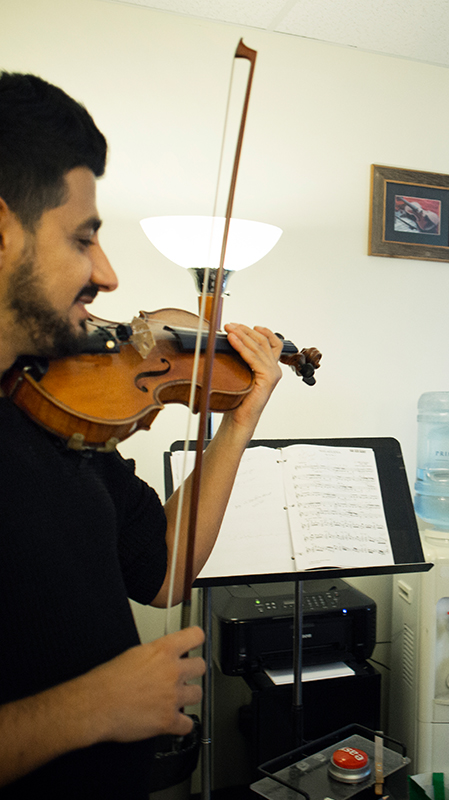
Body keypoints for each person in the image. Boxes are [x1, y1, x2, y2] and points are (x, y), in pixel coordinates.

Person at [0, 72, 285, 797]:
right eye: (83, 239)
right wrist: (90, 708)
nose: (108, 274)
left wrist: (239, 418)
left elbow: (162, 572)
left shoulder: (61, 410)